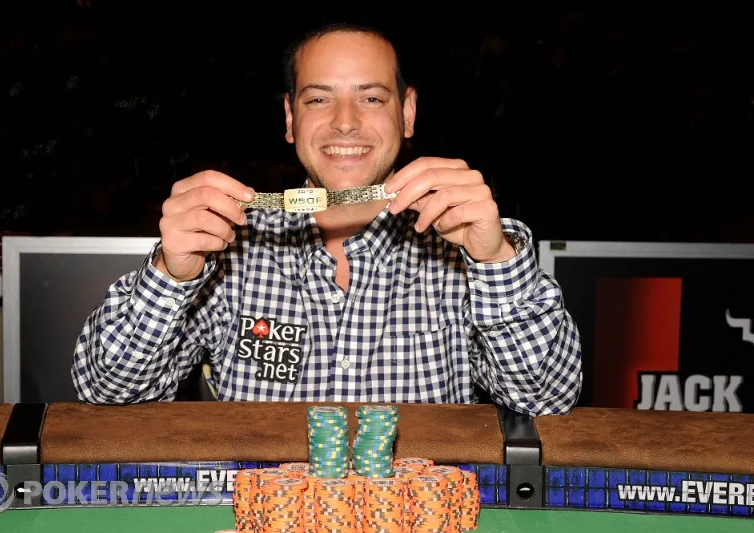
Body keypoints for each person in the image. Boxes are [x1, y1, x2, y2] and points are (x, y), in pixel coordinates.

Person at [71, 22, 582, 416]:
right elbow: (106, 393)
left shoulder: (463, 246)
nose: (345, 122)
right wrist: (169, 276)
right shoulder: (226, 245)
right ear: (291, 118)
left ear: (407, 113)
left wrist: (494, 261)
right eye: (319, 98)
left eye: (371, 98)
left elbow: (548, 397)